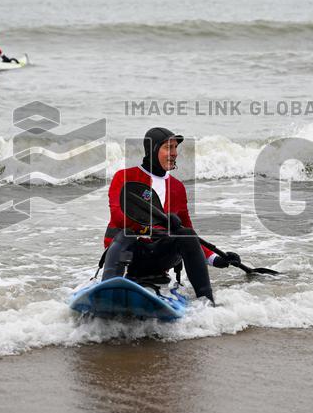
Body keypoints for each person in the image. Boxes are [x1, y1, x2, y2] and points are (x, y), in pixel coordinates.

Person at [101, 127, 240, 304]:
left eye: (175, 148)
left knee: (186, 234)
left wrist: (216, 258)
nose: (174, 153)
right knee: (125, 234)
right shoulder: (125, 177)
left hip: (160, 258)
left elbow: (189, 233)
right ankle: (106, 291)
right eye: (168, 147)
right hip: (130, 254)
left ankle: (206, 302)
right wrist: (156, 224)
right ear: (153, 150)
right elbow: (118, 215)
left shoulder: (177, 188)